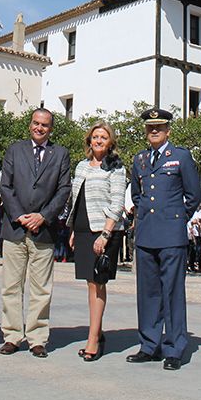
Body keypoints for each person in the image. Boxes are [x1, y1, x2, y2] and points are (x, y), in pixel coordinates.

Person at [127, 108, 200, 371]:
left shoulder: (180, 157)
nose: (154, 131)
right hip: (146, 234)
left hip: (171, 234)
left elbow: (193, 195)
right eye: (150, 128)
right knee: (148, 293)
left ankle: (174, 348)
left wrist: (177, 218)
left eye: (158, 127)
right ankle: (149, 345)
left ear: (168, 130)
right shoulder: (140, 160)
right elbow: (137, 195)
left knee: (172, 292)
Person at [0, 108, 71, 358]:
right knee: (11, 286)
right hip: (15, 228)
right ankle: (12, 335)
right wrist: (19, 215)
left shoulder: (60, 154)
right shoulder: (14, 150)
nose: (39, 128)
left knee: (41, 288)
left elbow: (64, 190)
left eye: (45, 125)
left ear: (51, 128)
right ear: (30, 125)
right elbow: (5, 186)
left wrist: (43, 216)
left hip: (44, 230)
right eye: (36, 123)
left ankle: (37, 337)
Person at [67, 121, 126, 361]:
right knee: (89, 284)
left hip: (103, 231)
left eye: (103, 137)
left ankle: (93, 339)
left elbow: (118, 202)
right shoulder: (81, 166)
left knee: (97, 283)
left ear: (110, 141)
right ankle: (97, 331)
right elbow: (77, 198)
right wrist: (73, 229)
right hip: (82, 229)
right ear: (89, 141)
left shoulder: (116, 167)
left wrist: (105, 233)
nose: (98, 140)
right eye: (95, 137)